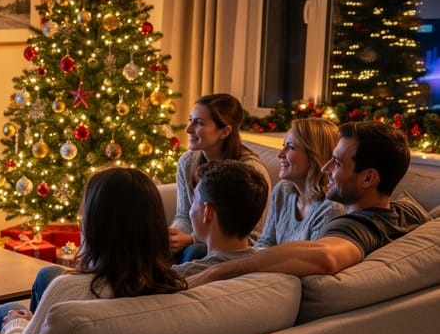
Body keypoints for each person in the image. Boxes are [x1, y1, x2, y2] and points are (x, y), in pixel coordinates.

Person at [0, 166, 188, 334]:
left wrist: (17, 326)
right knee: (24, 295)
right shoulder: (173, 284)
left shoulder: (71, 291)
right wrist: (34, 324)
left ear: (96, 226)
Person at [187, 120, 431, 288]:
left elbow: (324, 255)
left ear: (368, 178)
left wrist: (216, 272)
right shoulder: (408, 211)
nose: (325, 169)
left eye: (336, 163)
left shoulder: (352, 227)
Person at [170, 93, 272, 263]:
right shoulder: (187, 162)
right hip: (198, 243)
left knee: (195, 251)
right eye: (191, 120)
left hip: (236, 254)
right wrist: (173, 236)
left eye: (199, 123)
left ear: (225, 131)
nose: (188, 129)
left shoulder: (251, 172)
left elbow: (253, 237)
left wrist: (192, 239)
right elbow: (184, 215)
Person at [255, 118, 346, 248]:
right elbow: (265, 243)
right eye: (283, 146)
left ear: (315, 156)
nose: (280, 154)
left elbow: (311, 263)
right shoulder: (282, 190)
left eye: (290, 147)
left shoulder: (331, 209)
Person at [173, 159, 270, 277]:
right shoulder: (273, 264)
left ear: (207, 212)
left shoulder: (182, 276)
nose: (191, 210)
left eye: (194, 201)